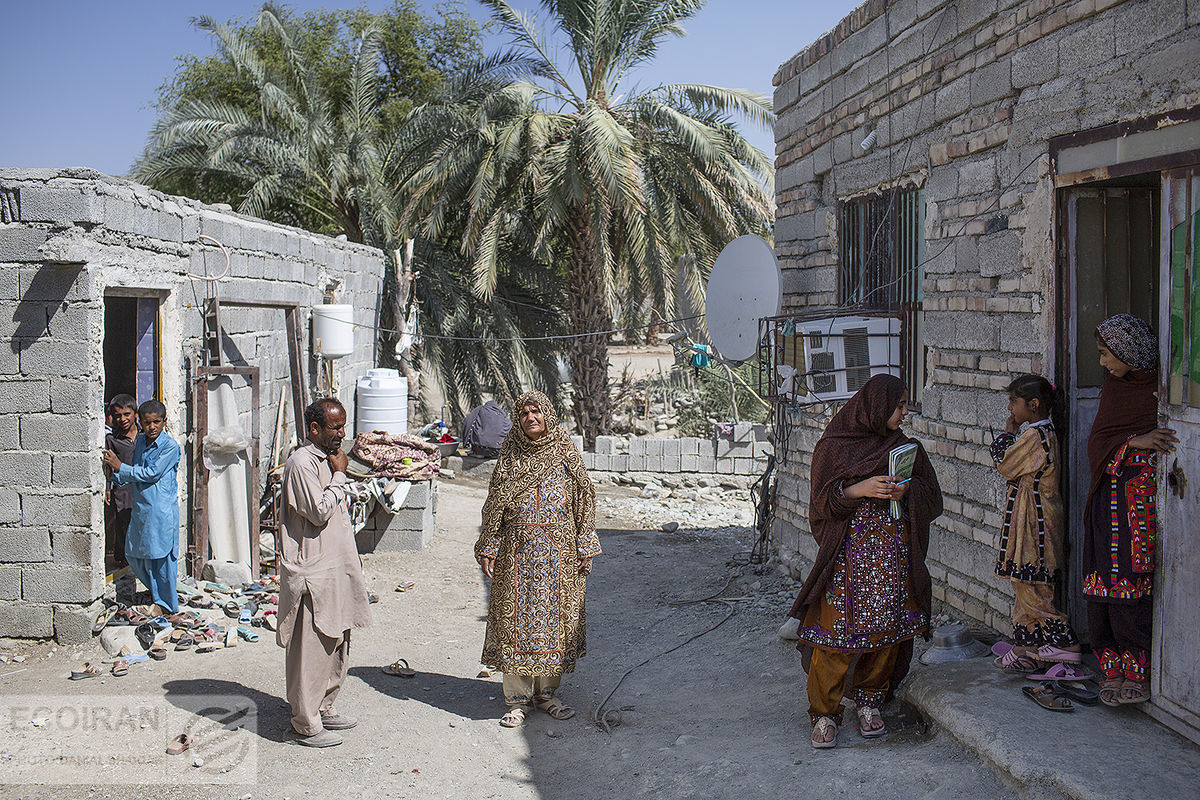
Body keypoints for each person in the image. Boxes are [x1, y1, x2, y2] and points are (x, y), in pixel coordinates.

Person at [787, 374, 942, 749]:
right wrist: (861, 489)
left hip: (892, 562)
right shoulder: (834, 447)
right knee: (835, 637)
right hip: (846, 564)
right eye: (899, 405)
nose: (905, 413)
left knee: (885, 635)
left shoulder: (905, 447)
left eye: (906, 405)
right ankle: (824, 713)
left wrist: (907, 491)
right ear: (875, 406)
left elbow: (932, 497)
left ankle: (870, 702)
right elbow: (821, 504)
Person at [474, 390, 601, 728]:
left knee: (554, 623)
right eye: (525, 413)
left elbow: (585, 497)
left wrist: (585, 544)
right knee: (516, 622)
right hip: (517, 555)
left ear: (548, 414)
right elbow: (496, 502)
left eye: (537, 412)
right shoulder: (511, 455)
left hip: (559, 554)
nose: (531, 418)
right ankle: (517, 699)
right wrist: (489, 543)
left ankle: (545, 694)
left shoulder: (565, 451)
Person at [1084, 314, 1176, 707]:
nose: (1103, 363)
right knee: (1106, 579)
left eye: (1106, 354)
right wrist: (1136, 442)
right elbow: (1097, 446)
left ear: (1129, 352)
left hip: (1145, 507)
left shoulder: (1162, 390)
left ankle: (1135, 668)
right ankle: (1110, 666)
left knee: (1135, 581)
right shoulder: (1113, 392)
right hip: (1111, 504)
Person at [277, 397, 372, 747]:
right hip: (313, 570)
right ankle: (304, 722)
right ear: (314, 429)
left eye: (344, 426)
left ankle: (325, 707)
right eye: (335, 427)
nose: (342, 434)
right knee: (311, 648)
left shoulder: (328, 461)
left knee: (337, 642)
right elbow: (318, 511)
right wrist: (340, 475)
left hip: (335, 567)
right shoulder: (303, 463)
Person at [988, 375, 1080, 673]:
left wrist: (1006, 434)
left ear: (1034, 405)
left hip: (1034, 523)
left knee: (1032, 585)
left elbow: (1006, 463)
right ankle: (1030, 646)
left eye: (1014, 403)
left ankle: (1065, 646)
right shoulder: (1044, 432)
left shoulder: (1033, 436)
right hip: (1031, 518)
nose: (1011, 409)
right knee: (1024, 582)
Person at [104, 399, 181, 615]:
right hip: (141, 509)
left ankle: (165, 605)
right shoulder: (140, 442)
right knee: (134, 554)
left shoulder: (169, 447)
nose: (152, 427)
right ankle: (157, 593)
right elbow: (136, 470)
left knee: (161, 559)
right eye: (147, 423)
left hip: (160, 511)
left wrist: (120, 467)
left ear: (164, 421)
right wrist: (112, 479)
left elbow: (151, 473)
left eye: (156, 422)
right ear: (141, 422)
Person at [104, 394, 138, 569]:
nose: (122, 419)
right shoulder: (112, 440)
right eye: (118, 415)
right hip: (123, 486)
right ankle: (125, 560)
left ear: (135, 414)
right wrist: (108, 486)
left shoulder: (144, 436)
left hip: (141, 484)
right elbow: (108, 467)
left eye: (126, 414)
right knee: (123, 521)